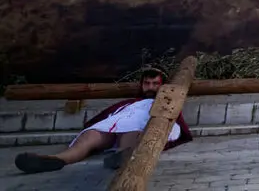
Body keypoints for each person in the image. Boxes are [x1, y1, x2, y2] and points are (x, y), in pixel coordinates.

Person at [15, 69, 192, 174]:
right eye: (147, 83)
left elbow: (173, 123)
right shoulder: (129, 103)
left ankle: (121, 156)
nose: (151, 87)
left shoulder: (164, 103)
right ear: (142, 84)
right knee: (91, 135)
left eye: (155, 83)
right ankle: (57, 159)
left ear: (162, 85)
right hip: (113, 125)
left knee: (131, 132)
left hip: (135, 128)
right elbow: (108, 116)